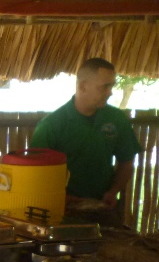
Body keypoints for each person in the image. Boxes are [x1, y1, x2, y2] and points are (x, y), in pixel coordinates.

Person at [30, 57, 142, 222]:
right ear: (83, 86)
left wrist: (113, 192)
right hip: (62, 212)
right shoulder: (51, 125)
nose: (110, 92)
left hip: (103, 209)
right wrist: (60, 198)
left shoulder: (117, 119)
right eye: (104, 86)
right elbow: (35, 173)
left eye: (111, 86)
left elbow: (127, 161)